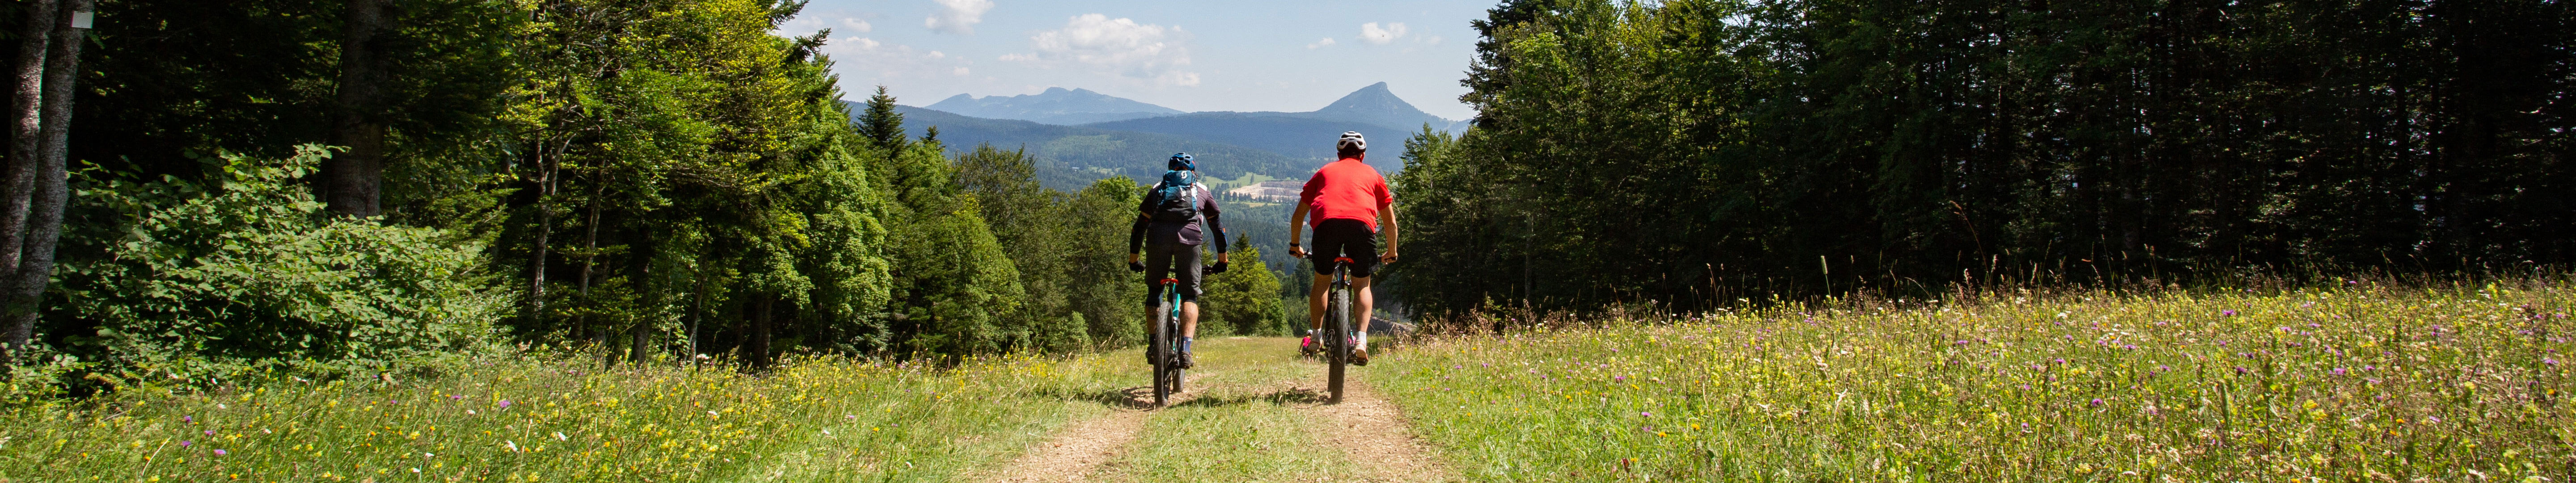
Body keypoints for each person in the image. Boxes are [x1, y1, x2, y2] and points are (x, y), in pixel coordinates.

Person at [1289, 131, 1396, 366]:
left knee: (1322, 282)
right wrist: (1392, 251)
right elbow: (1390, 223)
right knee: (1362, 285)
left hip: (1326, 226)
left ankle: (1316, 336)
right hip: (1362, 228)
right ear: (1363, 156)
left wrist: (1295, 245)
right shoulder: (1374, 175)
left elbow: (1298, 216)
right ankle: (1361, 340)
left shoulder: (1324, 172)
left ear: (1339, 155)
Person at [1128, 153, 1229, 369]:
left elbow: (1139, 228)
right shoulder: (1201, 189)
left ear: (1170, 170)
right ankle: (1185, 349)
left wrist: (1134, 260)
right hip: (1190, 240)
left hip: (1158, 239)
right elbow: (1218, 229)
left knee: (1155, 292)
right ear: (1193, 172)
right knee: (1190, 295)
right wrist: (1222, 262)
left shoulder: (1159, 188)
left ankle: (1154, 344)